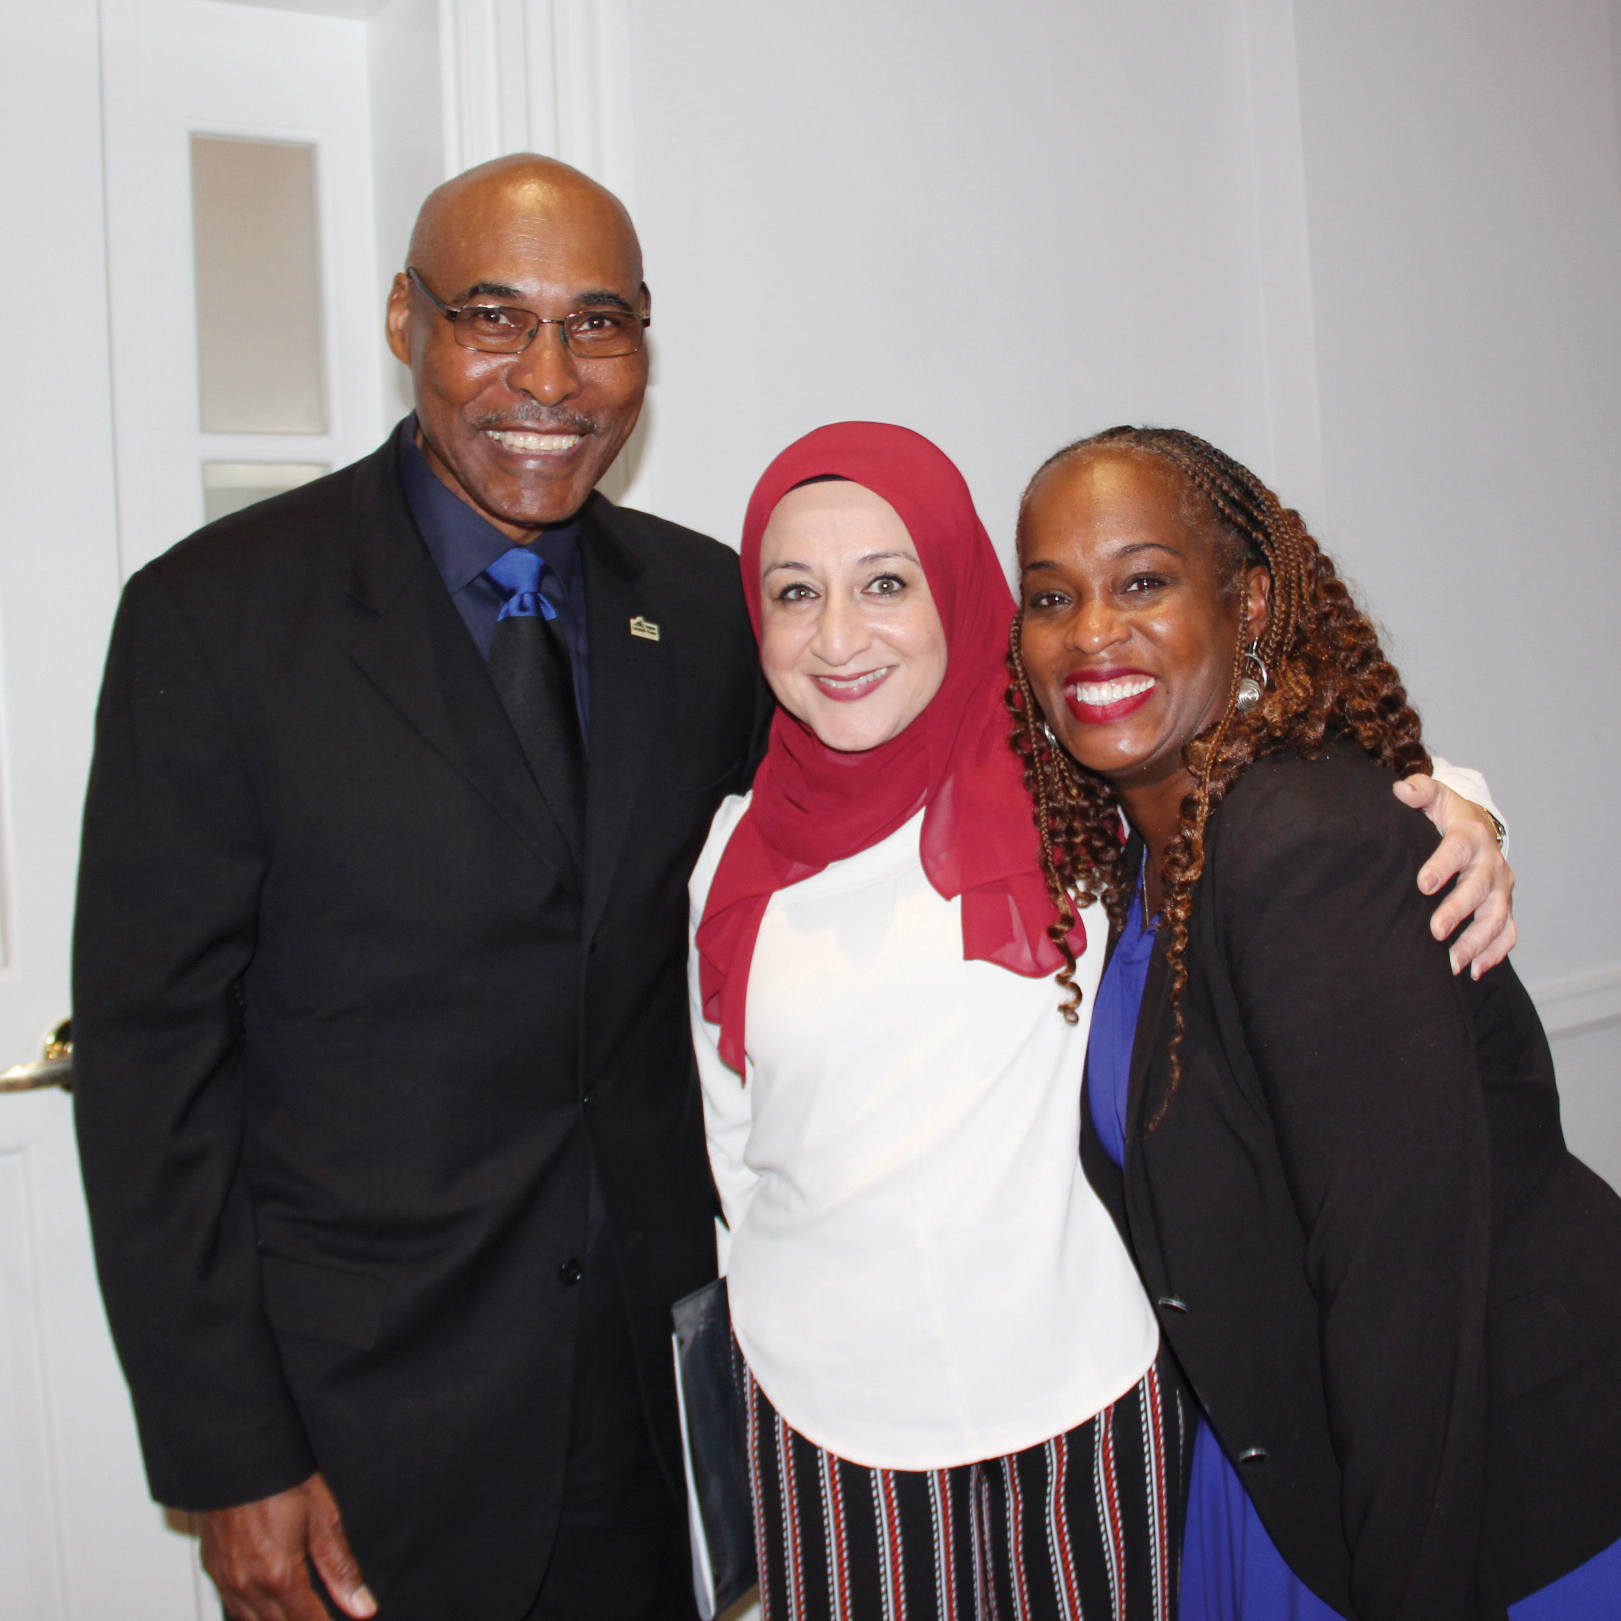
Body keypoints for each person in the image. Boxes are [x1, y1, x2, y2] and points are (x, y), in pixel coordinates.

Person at [72, 154, 769, 1621]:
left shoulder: (704, 611)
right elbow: (154, 1070)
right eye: (493, 317)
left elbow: (876, 807)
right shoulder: (214, 621)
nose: (552, 378)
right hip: (360, 1439)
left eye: (600, 323)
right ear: (405, 320)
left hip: (649, 1410)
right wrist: (229, 1452)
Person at [688, 421, 1514, 1621]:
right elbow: (734, 1153)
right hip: (825, 1421)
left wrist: (1468, 811)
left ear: (961, 591)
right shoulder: (727, 862)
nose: (837, 635)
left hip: (1091, 1398)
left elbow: (1284, 775)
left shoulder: (1069, 787)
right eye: (792, 592)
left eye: (884, 583)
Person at [1008, 424, 1621, 1619]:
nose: (1090, 631)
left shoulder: (1297, 838)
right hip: (1293, 1474)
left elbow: (1403, 1296)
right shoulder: (1147, 856)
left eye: (1142, 581)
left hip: (1486, 1500)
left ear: (1246, 600)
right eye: (1049, 596)